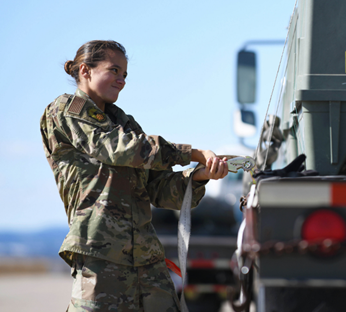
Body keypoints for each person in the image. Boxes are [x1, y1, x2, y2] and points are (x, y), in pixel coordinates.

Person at [40, 40, 228, 311]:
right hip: (100, 251)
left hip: (145, 256)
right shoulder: (66, 110)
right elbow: (119, 149)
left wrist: (198, 176)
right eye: (114, 70)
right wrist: (192, 153)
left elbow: (158, 189)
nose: (121, 80)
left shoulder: (124, 123)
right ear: (85, 70)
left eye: (125, 74)